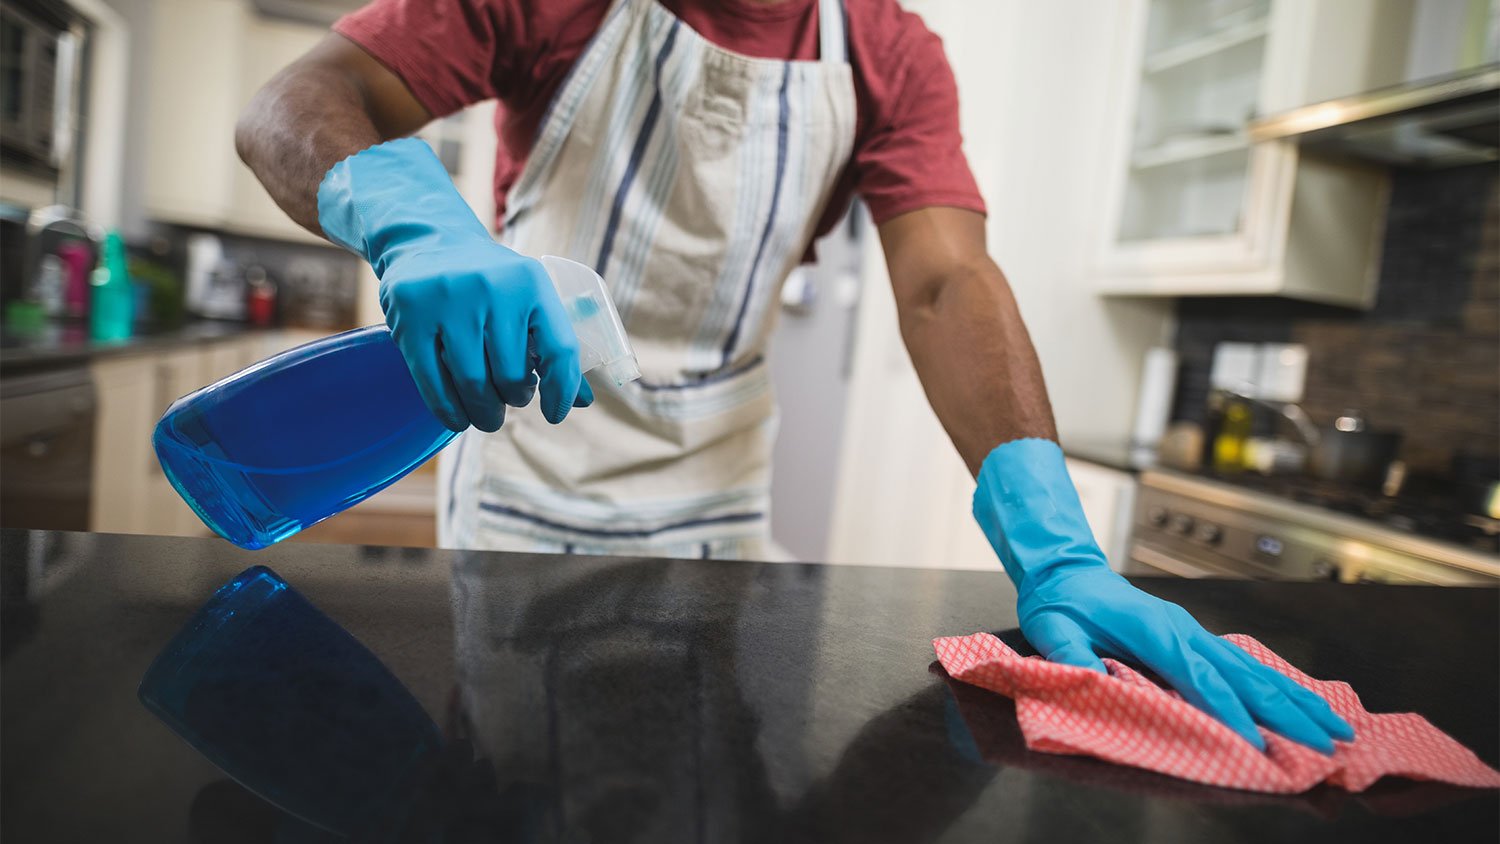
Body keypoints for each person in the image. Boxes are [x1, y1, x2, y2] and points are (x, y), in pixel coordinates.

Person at [235, 0, 1353, 754]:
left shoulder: (888, 49)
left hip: (715, 497)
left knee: (700, 770)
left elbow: (944, 281)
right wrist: (415, 223)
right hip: (530, 467)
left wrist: (1053, 544)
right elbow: (295, 99)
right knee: (513, 757)